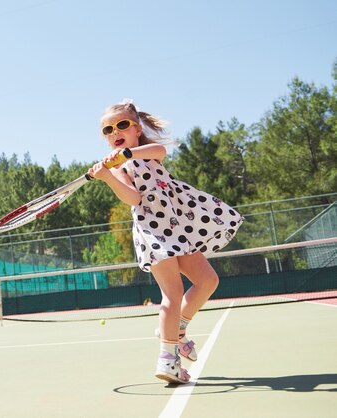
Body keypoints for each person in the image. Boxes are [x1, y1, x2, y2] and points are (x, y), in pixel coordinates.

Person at [88, 99, 243, 384]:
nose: (114, 132)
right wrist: (108, 176)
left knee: (208, 280)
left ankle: (177, 329)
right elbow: (133, 198)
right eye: (107, 130)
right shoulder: (119, 168)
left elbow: (159, 150)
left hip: (177, 225)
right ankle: (168, 360)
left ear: (136, 128)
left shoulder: (146, 152)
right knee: (172, 292)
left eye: (122, 125)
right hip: (153, 230)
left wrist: (125, 155)